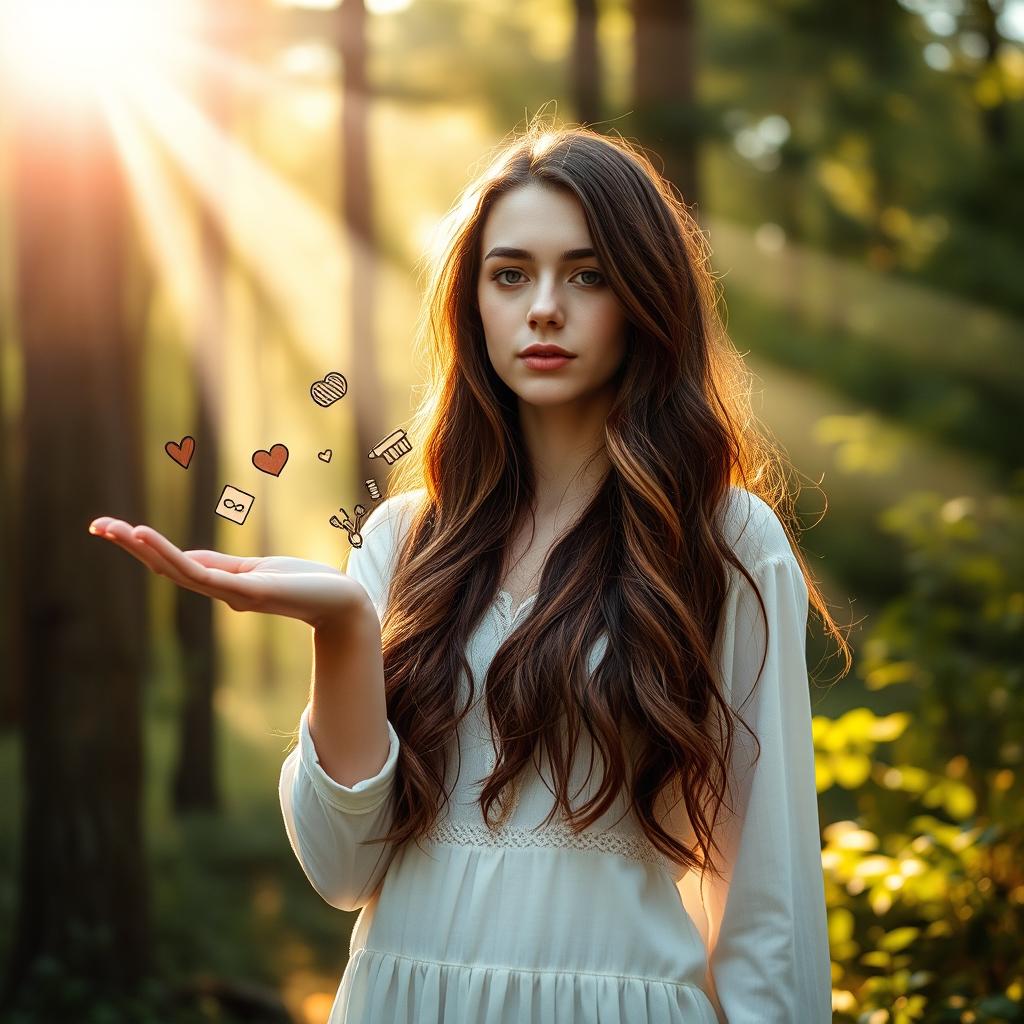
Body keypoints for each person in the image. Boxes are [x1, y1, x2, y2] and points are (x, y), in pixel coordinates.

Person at [90, 118, 849, 1022]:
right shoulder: (403, 541)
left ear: (647, 298)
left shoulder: (721, 539)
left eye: (589, 274)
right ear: (473, 301)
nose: (544, 308)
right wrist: (341, 626)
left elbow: (768, 900)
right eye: (511, 274)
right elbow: (342, 871)